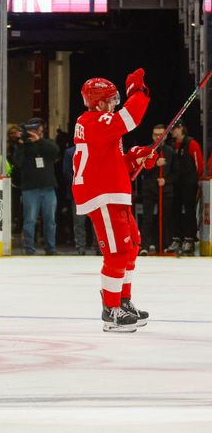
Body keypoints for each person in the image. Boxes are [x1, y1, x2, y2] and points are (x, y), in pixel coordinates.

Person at [72, 69, 152, 332]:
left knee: (130, 248)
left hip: (114, 192)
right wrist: (137, 92)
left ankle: (123, 301)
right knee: (117, 253)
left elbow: (113, 162)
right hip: (103, 195)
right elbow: (130, 118)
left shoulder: (101, 125)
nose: (114, 104)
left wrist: (136, 157)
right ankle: (111, 309)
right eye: (111, 100)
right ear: (98, 101)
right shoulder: (93, 121)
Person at [12, 118, 59, 255]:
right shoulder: (23, 146)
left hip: (48, 187)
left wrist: (38, 140)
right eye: (30, 129)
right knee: (30, 220)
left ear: (40, 130)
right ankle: (29, 248)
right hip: (30, 188)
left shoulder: (46, 143)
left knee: (50, 220)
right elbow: (17, 163)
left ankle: (51, 248)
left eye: (35, 129)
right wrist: (21, 144)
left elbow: (55, 151)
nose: (33, 132)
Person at [166, 120, 203, 255]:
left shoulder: (191, 143)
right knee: (174, 211)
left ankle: (189, 239)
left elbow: (199, 164)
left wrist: (197, 182)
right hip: (176, 183)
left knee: (189, 211)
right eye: (171, 130)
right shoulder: (172, 145)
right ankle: (177, 238)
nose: (172, 132)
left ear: (181, 128)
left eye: (174, 129)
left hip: (189, 183)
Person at [139, 124, 174, 254]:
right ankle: (145, 246)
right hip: (149, 189)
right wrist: (155, 164)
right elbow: (141, 170)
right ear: (152, 136)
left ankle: (164, 245)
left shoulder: (170, 151)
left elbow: (176, 172)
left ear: (165, 136)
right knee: (147, 218)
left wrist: (166, 180)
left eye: (161, 135)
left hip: (165, 190)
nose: (158, 137)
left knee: (165, 218)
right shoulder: (147, 150)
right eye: (156, 135)